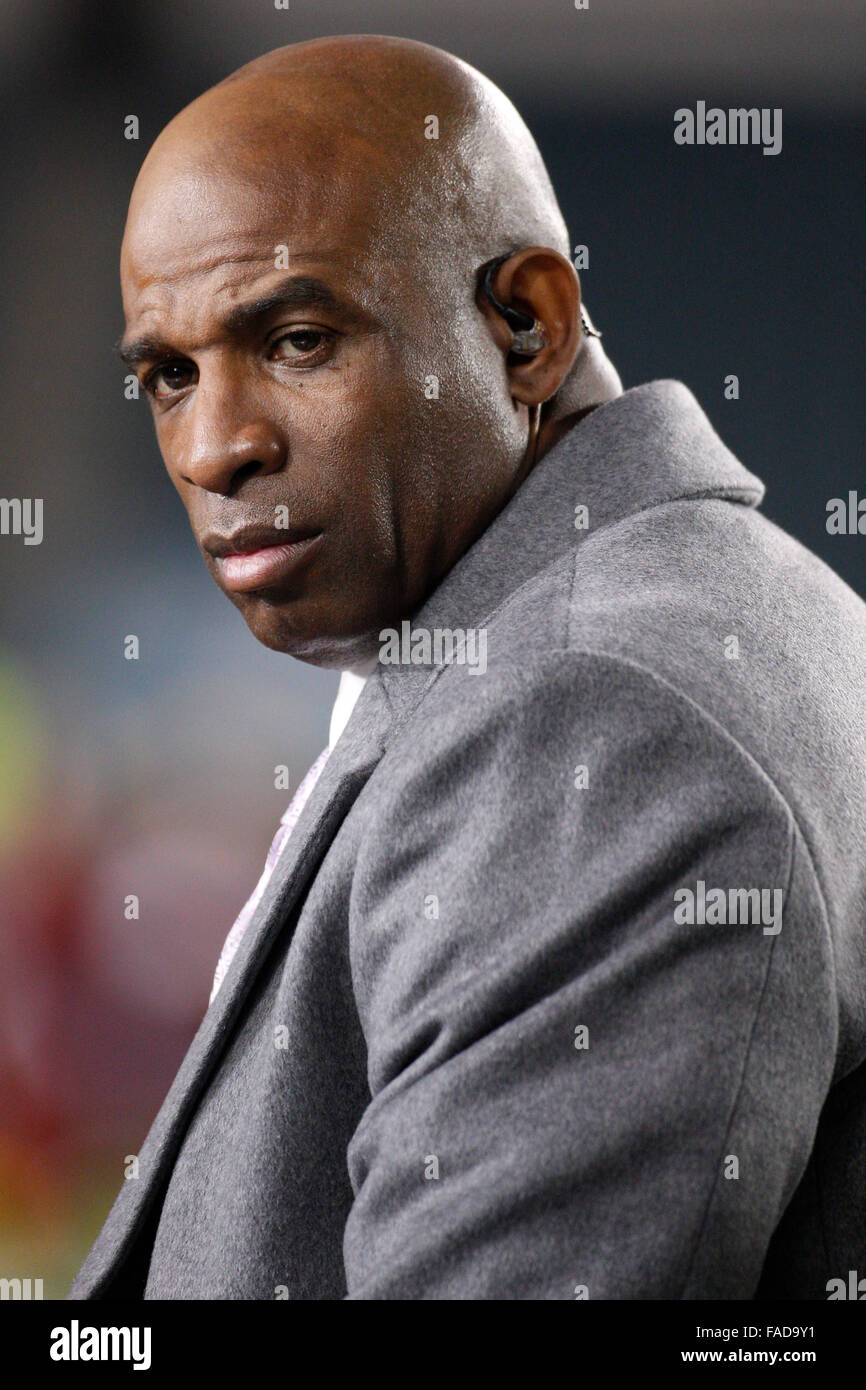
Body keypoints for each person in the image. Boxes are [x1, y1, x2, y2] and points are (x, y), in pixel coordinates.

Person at [70, 35, 866, 1300]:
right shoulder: (638, 618)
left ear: (525, 328)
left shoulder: (591, 715)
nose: (215, 447)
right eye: (168, 375)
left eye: (293, 338)